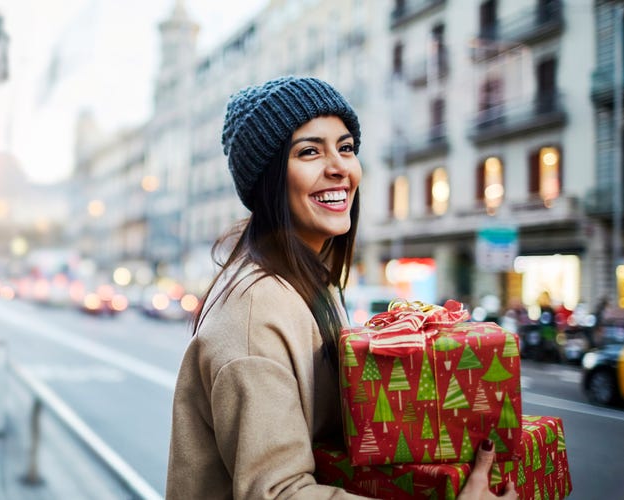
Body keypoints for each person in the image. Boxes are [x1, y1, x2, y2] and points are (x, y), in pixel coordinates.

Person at [166, 76, 515, 499]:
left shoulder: (312, 284)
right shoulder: (257, 311)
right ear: (268, 178)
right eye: (309, 151)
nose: (339, 167)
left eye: (346, 148)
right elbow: (279, 493)